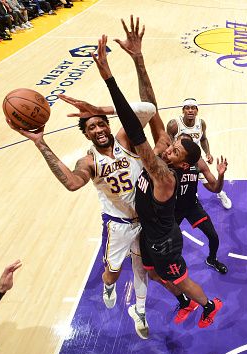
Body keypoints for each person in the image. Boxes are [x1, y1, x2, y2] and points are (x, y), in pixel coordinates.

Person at [6, 23, 164, 338]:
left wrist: (99, 107)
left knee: (144, 268)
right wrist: (41, 143)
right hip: (117, 224)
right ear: (87, 133)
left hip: (145, 218)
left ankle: (142, 313)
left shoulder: (125, 139)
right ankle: (108, 287)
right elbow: (72, 183)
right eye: (91, 126)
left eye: (101, 122)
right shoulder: (88, 161)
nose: (98, 128)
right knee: (114, 272)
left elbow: (148, 109)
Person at [91, 32, 223, 328]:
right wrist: (139, 60)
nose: (169, 146)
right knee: (152, 274)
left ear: (182, 162)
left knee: (180, 278)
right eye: (171, 144)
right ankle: (184, 302)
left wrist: (109, 78)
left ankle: (208, 305)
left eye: (175, 149)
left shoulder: (163, 176)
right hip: (149, 235)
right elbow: (150, 111)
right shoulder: (166, 154)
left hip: (165, 243)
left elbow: (135, 131)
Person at [174, 136, 229, 274]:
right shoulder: (170, 161)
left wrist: (220, 175)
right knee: (170, 241)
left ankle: (212, 259)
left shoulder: (198, 163)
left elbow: (215, 188)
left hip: (192, 206)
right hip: (173, 208)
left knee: (213, 236)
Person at [166, 100, 233, 210]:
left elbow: (203, 139)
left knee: (212, 182)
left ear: (197, 111)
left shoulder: (201, 123)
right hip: (178, 161)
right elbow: (169, 145)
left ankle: (220, 192)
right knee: (176, 186)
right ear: (183, 110)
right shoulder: (173, 125)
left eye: (193, 108)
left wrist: (208, 153)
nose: (190, 110)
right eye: (187, 108)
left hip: (195, 159)